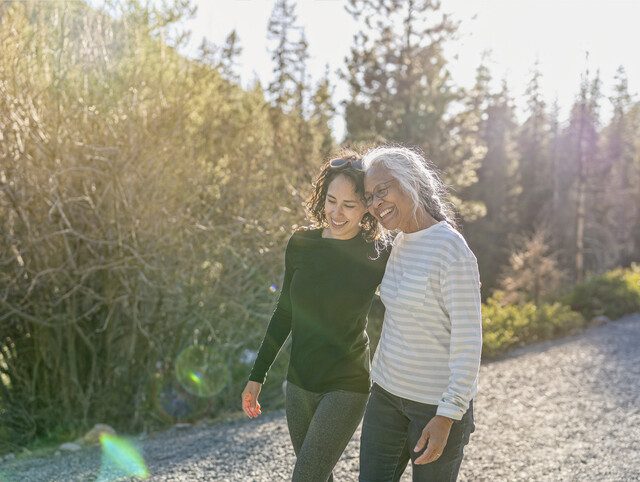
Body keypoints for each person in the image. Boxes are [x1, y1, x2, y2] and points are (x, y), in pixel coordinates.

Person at [242, 152, 389, 482]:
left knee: (305, 477)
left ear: (367, 206)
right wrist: (258, 375)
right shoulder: (301, 243)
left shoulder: (376, 254)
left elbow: (410, 299)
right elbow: (284, 312)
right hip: (298, 385)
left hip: (346, 384)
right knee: (320, 476)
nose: (337, 213)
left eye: (349, 205)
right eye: (331, 200)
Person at [359, 146, 482, 482]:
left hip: (434, 409)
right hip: (385, 397)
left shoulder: (450, 249)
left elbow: (469, 341)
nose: (375, 203)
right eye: (369, 196)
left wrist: (448, 416)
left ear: (410, 181)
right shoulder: (396, 243)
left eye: (382, 190)